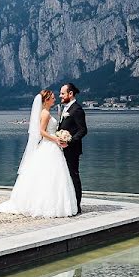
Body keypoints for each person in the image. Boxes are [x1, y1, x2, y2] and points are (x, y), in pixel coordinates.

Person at [0, 89, 77, 218]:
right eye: (52, 97)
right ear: (47, 100)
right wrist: (56, 139)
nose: (55, 99)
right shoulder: (45, 114)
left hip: (51, 146)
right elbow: (42, 131)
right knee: (50, 175)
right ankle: (48, 205)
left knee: (51, 176)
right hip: (49, 146)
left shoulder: (45, 112)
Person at [56, 83, 87, 215]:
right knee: (65, 177)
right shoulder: (66, 108)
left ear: (70, 94)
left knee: (73, 176)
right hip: (62, 148)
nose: (60, 96)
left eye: (62, 93)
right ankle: (69, 203)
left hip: (72, 149)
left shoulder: (77, 109)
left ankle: (77, 206)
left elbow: (83, 130)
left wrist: (69, 141)